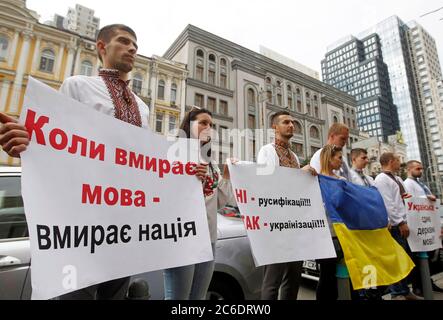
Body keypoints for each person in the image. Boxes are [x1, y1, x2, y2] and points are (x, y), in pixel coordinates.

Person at [0, 24, 208, 300]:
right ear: (101, 47)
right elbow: (57, 143)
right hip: (80, 227)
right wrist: (26, 144)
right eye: (123, 41)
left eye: (135, 44)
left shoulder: (142, 107)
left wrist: (185, 174)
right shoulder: (78, 86)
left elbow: (145, 162)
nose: (132, 48)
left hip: (124, 230)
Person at [163, 107, 235, 300]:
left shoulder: (210, 163)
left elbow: (219, 202)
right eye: (203, 122)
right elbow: (164, 196)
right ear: (189, 125)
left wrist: (227, 175)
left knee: (198, 297)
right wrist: (187, 177)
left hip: (208, 239)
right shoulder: (172, 154)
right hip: (182, 237)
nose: (208, 127)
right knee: (178, 298)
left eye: (211, 124)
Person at [257, 111, 316, 300]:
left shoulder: (294, 157)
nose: (291, 125)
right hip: (276, 226)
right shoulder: (267, 151)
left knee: (293, 279)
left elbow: (296, 191)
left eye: (292, 122)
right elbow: (267, 186)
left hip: (295, 226)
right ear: (275, 127)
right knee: (272, 281)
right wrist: (300, 174)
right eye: (285, 122)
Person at [374, 153, 421, 300]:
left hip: (403, 222)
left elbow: (400, 199)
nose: (400, 163)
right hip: (395, 226)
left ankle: (405, 291)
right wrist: (400, 222)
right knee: (395, 260)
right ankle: (397, 293)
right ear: (390, 161)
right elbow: (388, 204)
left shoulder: (397, 178)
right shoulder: (381, 179)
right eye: (397, 160)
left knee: (404, 260)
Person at [404, 160, 443, 294]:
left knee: (429, 256)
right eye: (418, 169)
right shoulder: (408, 183)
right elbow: (412, 201)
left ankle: (427, 281)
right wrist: (426, 197)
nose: (421, 171)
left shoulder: (420, 183)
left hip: (427, 224)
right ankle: (418, 286)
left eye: (421, 168)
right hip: (418, 226)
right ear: (409, 169)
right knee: (417, 257)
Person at [315, 144, 347, 300]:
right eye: (339, 157)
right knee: (326, 276)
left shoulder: (342, 180)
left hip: (342, 234)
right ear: (329, 158)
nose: (342, 161)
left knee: (341, 276)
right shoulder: (315, 180)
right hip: (325, 235)